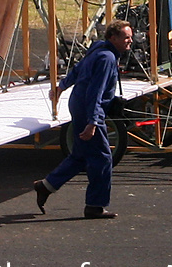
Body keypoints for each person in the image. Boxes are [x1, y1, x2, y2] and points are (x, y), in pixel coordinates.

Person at [34, 20, 133, 219]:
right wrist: (93, 122)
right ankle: (95, 206)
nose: (130, 41)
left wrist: (63, 86)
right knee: (103, 158)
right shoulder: (106, 59)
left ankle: (46, 186)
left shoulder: (98, 48)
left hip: (79, 105)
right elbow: (95, 93)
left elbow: (79, 69)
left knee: (80, 155)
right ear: (113, 38)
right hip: (87, 108)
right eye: (126, 38)